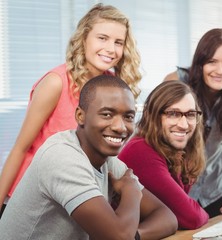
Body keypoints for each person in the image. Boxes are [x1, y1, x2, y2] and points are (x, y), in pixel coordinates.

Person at [0, 3, 142, 217]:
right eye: (102, 38)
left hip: (74, 197)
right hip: (32, 199)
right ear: (84, 38)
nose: (111, 49)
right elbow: (20, 148)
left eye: (118, 42)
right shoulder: (56, 83)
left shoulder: (114, 86)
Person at [0, 75, 177, 239]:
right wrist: (131, 192)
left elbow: (167, 218)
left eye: (128, 116)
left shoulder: (108, 160)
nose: (120, 127)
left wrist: (134, 236)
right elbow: (119, 236)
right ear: (80, 116)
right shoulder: (62, 156)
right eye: (107, 114)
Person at [164, 28, 222, 218]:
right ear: (200, 63)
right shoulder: (176, 82)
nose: (220, 71)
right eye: (212, 62)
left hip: (219, 188)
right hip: (178, 190)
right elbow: (155, 141)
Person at [119, 80, 209, 229]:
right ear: (154, 115)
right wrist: (204, 214)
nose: (184, 124)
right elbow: (192, 217)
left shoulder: (178, 150)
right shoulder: (140, 151)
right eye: (173, 114)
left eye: (190, 114)